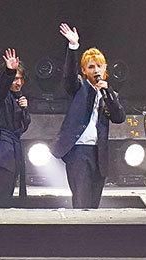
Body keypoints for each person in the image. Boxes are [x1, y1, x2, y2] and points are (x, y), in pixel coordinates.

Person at [50, 23, 126, 209]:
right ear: (84, 70)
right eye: (91, 67)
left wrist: (108, 93)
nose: (96, 70)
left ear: (105, 68)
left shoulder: (109, 94)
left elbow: (119, 117)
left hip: (98, 153)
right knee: (81, 200)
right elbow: (69, 76)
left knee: (93, 203)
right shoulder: (79, 87)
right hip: (78, 151)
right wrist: (73, 46)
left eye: (99, 66)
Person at [0, 48, 32, 207]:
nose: (18, 82)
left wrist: (24, 109)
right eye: (15, 78)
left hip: (12, 153)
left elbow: (23, 127)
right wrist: (9, 71)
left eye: (21, 79)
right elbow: (1, 88)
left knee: (6, 197)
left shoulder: (18, 98)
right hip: (1, 153)